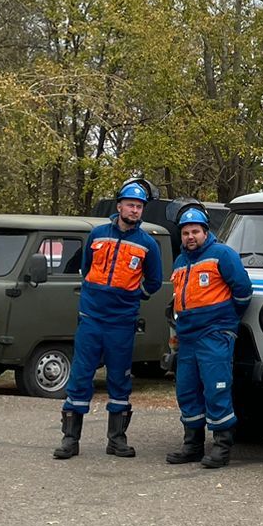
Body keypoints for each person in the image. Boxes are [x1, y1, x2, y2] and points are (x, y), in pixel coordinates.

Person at [53, 180, 164, 460]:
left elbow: (153, 281)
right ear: (119, 206)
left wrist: (132, 296)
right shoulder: (98, 234)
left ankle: (116, 440)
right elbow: (86, 268)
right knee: (80, 377)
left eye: (139, 207)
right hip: (91, 319)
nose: (135, 210)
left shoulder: (148, 244)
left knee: (119, 380)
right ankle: (70, 439)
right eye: (130, 205)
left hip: (122, 322)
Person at [165, 206, 253, 469]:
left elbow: (243, 290)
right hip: (187, 337)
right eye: (185, 232)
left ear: (205, 232)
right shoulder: (181, 261)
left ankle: (222, 446)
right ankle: (192, 445)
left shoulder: (222, 254)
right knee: (187, 390)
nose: (190, 236)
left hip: (214, 334)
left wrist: (225, 321)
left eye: (195, 231)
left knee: (216, 389)